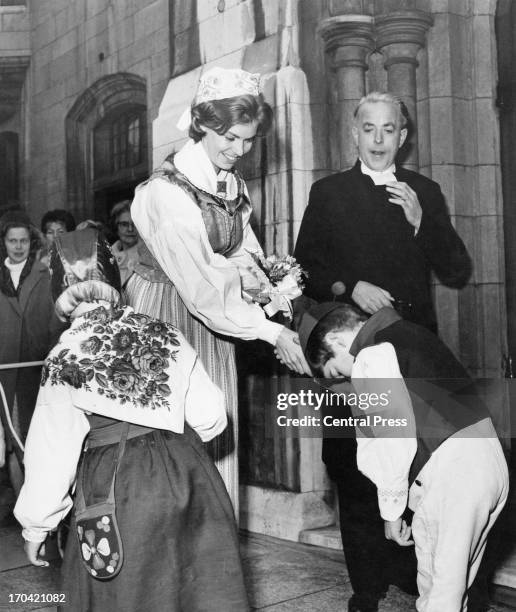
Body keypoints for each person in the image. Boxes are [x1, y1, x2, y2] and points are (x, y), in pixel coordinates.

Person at [14, 228, 250, 612]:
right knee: (198, 590)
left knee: (124, 593)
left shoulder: (64, 357)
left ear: (59, 292)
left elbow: (51, 454)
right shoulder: (164, 332)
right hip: (188, 472)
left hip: (119, 482)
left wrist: (36, 526)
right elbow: (211, 418)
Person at [127, 66, 310, 511]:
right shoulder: (165, 194)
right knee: (177, 428)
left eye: (247, 140)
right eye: (228, 137)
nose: (238, 149)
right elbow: (204, 287)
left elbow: (241, 251)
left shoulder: (229, 182)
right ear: (201, 125)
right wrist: (271, 333)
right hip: (168, 316)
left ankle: (211, 550)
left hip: (215, 318)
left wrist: (270, 290)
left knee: (215, 424)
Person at [298, 302, 509, 612]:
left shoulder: (370, 355)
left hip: (452, 472)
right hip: (488, 462)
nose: (348, 381)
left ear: (337, 342)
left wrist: (392, 509)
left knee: (439, 594)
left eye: (339, 372)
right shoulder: (409, 333)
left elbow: (391, 439)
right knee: (452, 585)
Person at [294, 91, 471, 334]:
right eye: (369, 130)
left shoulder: (425, 191)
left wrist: (421, 221)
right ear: (356, 135)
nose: (378, 140)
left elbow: (457, 271)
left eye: (388, 130)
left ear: (401, 137)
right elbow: (302, 271)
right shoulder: (327, 192)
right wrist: (351, 287)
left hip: (412, 336)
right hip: (346, 338)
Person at [0, 210, 63, 496]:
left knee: (38, 438)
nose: (18, 246)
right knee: (12, 440)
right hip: (5, 373)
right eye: (12, 241)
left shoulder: (44, 273)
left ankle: (42, 503)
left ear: (30, 241)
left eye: (23, 240)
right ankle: (22, 504)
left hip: (36, 368)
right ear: (4, 242)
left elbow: (55, 319)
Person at [109, 200, 141, 287]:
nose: (130, 229)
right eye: (124, 224)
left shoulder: (147, 257)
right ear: (116, 226)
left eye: (134, 224)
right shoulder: (108, 255)